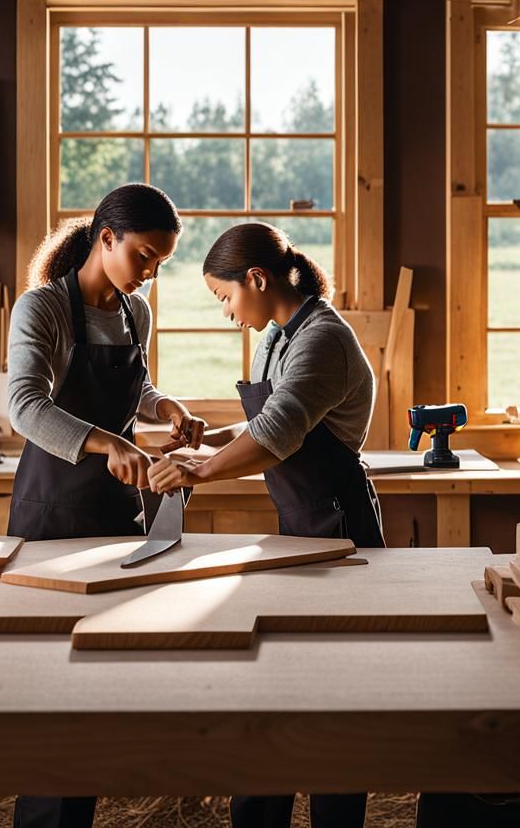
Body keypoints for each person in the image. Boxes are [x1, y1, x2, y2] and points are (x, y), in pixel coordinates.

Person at [148, 221, 384, 828]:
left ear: (256, 278)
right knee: (273, 686)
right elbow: (265, 422)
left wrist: (199, 475)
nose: (228, 313)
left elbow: (278, 435)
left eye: (226, 297)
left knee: (335, 700)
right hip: (296, 527)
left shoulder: (323, 338)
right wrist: (210, 440)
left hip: (339, 530)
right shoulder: (278, 336)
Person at [6, 183, 204, 828]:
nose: (149, 274)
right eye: (143, 256)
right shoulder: (42, 308)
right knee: (48, 678)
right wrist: (108, 442)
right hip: (53, 503)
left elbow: (136, 384)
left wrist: (165, 406)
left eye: (160, 264)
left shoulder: (134, 313)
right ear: (106, 238)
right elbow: (25, 407)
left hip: (122, 503)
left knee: (99, 670)